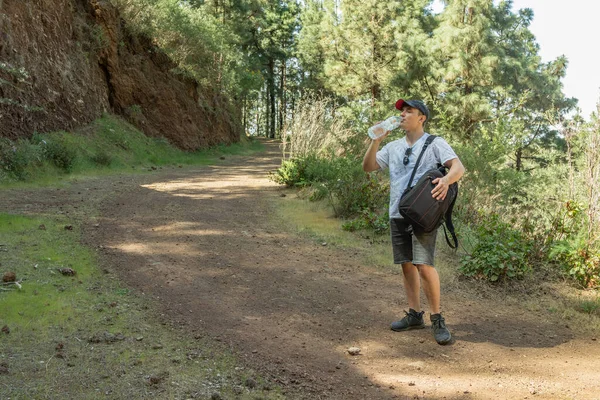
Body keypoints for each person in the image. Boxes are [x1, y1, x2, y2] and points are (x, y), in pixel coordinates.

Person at [362, 99, 465, 345]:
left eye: (410, 111)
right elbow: (368, 166)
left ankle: (437, 318)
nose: (403, 115)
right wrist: (376, 140)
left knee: (424, 264)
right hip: (397, 213)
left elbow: (458, 167)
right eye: (402, 111)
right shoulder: (394, 146)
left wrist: (446, 181)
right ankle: (414, 314)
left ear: (422, 118)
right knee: (406, 264)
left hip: (422, 214)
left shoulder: (434, 143)